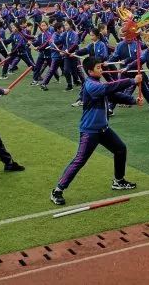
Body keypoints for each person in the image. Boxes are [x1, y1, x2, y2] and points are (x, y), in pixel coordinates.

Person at [50, 57, 140, 206]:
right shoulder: (91, 85)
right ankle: (57, 190)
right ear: (90, 71)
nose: (101, 69)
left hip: (103, 129)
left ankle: (118, 181)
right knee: (80, 160)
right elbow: (109, 88)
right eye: (98, 68)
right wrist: (131, 81)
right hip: (90, 132)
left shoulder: (98, 82)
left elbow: (114, 95)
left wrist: (133, 101)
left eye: (101, 67)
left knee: (120, 149)